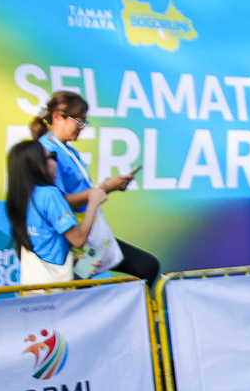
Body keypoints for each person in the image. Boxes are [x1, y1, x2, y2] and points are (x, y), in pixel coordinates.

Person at [33, 92, 161, 282]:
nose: (82, 127)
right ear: (58, 118)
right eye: (79, 122)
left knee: (84, 286)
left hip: (85, 232)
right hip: (69, 237)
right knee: (145, 267)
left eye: (84, 122)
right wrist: (104, 189)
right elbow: (55, 203)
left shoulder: (68, 150)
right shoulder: (47, 152)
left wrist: (107, 188)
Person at [5, 139, 106, 287]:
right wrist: (93, 202)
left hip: (28, 284)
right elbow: (78, 239)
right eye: (51, 157)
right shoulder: (49, 194)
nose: (55, 162)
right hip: (53, 290)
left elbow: (43, 247)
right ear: (38, 165)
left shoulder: (20, 197)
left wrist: (75, 263)